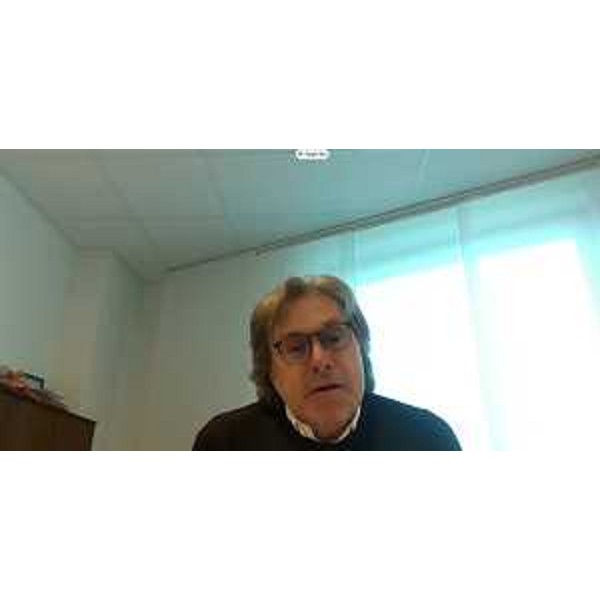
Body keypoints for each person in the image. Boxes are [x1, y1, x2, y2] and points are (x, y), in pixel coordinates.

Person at [193, 275, 461, 451]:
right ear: (270, 371)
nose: (320, 361)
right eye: (296, 347)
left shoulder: (428, 437)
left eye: (334, 338)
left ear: (361, 348)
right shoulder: (224, 443)